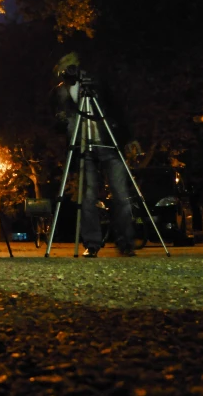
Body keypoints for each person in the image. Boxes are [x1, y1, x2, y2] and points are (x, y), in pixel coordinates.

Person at [50, 51, 140, 257]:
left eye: (71, 64)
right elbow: (55, 122)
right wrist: (61, 119)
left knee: (121, 195)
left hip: (108, 142)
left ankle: (126, 243)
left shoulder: (96, 85)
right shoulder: (59, 93)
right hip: (82, 147)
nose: (69, 68)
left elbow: (117, 109)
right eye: (64, 66)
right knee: (87, 197)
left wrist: (129, 137)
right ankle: (92, 243)